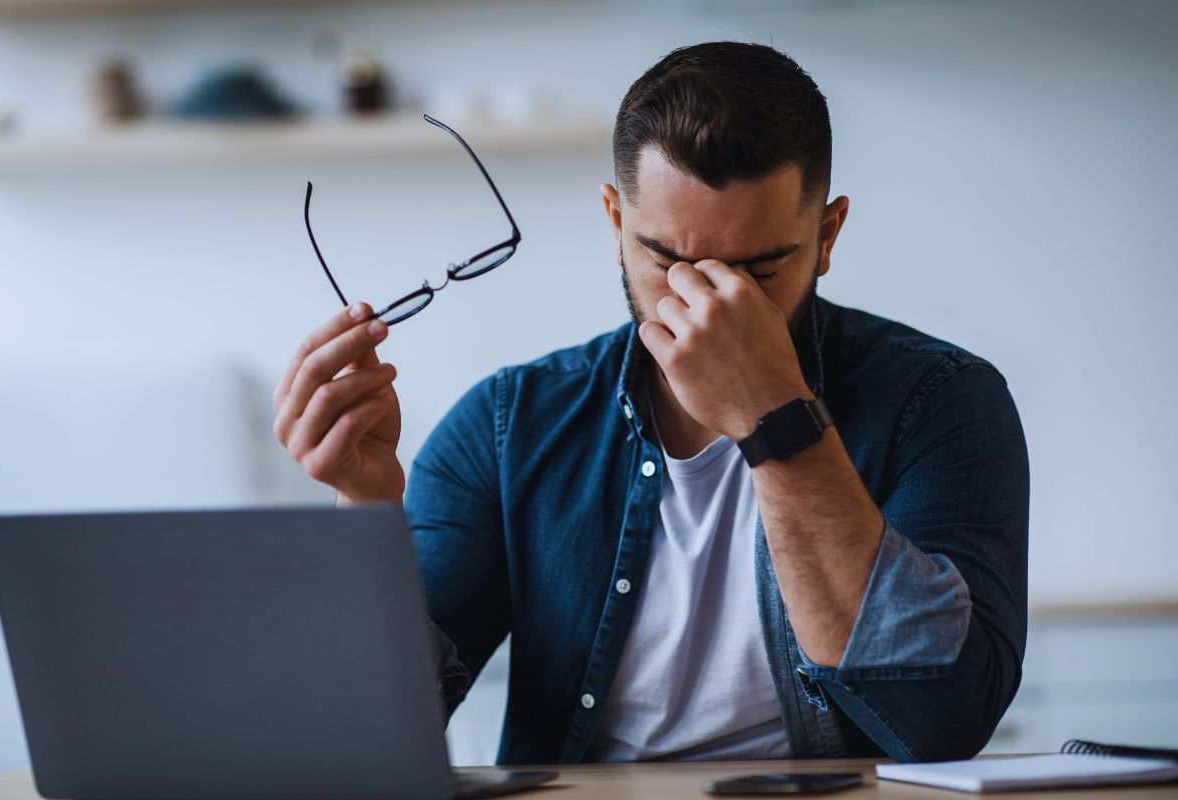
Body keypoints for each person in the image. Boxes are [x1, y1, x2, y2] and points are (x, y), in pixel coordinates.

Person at [272, 41, 1029, 764]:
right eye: (667, 260)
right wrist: (365, 506)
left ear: (826, 235)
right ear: (615, 224)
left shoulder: (941, 403)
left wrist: (776, 417)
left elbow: (943, 719)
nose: (707, 302)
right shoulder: (510, 427)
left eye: (758, 271)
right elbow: (362, 733)